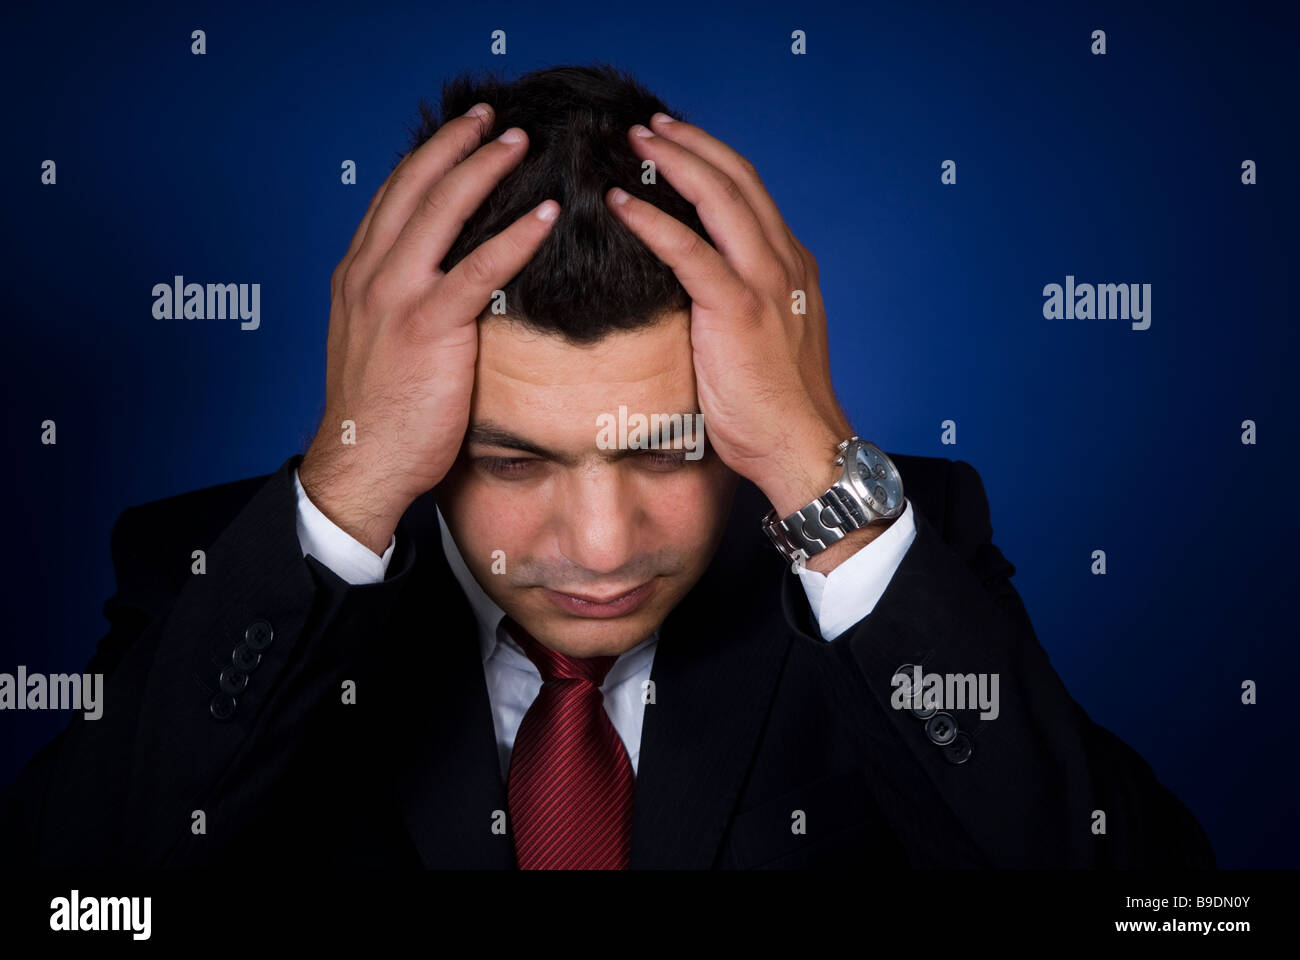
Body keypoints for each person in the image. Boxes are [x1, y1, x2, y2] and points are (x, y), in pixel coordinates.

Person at [0, 64, 1214, 869]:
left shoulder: (886, 569)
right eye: (512, 461)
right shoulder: (215, 574)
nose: (598, 547)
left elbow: (1157, 900)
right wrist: (349, 482)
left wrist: (816, 468)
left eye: (668, 453)